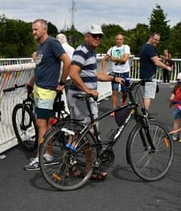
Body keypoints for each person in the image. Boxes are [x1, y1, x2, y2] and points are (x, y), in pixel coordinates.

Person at [66, 25, 127, 180]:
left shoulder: (90, 52)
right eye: (94, 36)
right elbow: (72, 74)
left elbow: (94, 75)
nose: (98, 39)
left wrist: (114, 78)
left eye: (100, 36)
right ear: (87, 36)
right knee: (89, 134)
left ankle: (69, 166)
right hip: (81, 98)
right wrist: (88, 90)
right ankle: (89, 170)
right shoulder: (82, 51)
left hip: (81, 97)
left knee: (77, 133)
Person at [23, 19, 71, 171]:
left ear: (44, 29)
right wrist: (31, 81)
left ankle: (40, 158)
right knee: (47, 123)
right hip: (39, 88)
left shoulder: (52, 43)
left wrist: (61, 83)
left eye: (36, 29)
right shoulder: (42, 46)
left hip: (47, 90)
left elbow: (67, 61)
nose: (33, 32)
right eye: (33, 30)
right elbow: (41, 67)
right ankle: (48, 155)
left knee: (41, 123)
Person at [139, 33, 174, 110]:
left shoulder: (144, 47)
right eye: (155, 40)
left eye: (158, 40)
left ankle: (142, 113)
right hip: (149, 75)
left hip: (143, 74)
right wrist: (167, 67)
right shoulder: (150, 48)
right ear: (151, 37)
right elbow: (156, 62)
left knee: (144, 96)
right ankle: (144, 115)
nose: (157, 42)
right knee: (148, 96)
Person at [101, 33, 130, 109]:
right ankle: (114, 110)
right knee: (114, 92)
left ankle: (123, 100)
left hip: (125, 73)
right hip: (115, 73)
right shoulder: (112, 49)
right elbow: (103, 60)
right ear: (115, 40)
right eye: (117, 39)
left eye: (120, 39)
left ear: (123, 40)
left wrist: (113, 59)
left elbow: (124, 59)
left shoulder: (126, 47)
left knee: (125, 92)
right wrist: (104, 72)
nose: (119, 41)